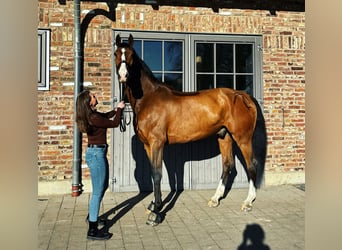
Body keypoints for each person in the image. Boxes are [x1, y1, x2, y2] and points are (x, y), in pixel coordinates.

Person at [76, 90, 125, 240]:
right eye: (93, 96)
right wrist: (120, 110)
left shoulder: (93, 115)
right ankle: (92, 230)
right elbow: (115, 123)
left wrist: (116, 109)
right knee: (97, 192)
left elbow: (107, 116)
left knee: (103, 187)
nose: (95, 96)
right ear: (88, 102)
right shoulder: (94, 118)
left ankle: (93, 215)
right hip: (97, 156)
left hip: (97, 154)